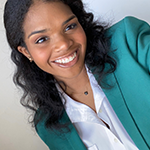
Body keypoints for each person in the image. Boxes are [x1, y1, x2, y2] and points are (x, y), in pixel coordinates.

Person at [3, 0, 150, 149]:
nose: (63, 44)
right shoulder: (48, 127)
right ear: (26, 52)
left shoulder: (129, 41)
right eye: (42, 39)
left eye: (70, 26)